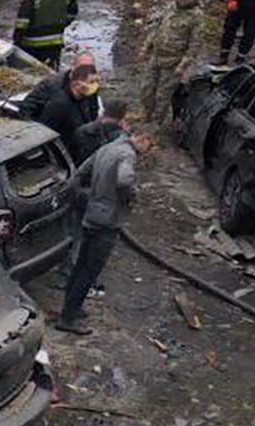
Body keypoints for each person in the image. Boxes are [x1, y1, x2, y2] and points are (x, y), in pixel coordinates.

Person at [57, 104, 139, 337]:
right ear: (141, 138)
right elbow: (124, 182)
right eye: (150, 145)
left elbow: (80, 172)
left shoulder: (107, 148)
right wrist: (130, 197)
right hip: (108, 220)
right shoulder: (127, 154)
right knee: (90, 270)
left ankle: (71, 306)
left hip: (91, 213)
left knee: (81, 264)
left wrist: (87, 195)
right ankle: (68, 318)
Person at [136, 0, 207, 120]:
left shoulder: (197, 17)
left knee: (163, 95)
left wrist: (182, 65)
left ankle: (156, 123)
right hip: (156, 56)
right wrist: (145, 48)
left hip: (174, 62)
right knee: (146, 87)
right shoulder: (170, 8)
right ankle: (145, 113)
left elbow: (195, 45)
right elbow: (156, 30)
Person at [18, 57, 101, 158]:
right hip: (59, 135)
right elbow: (28, 109)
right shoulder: (54, 89)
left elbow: (93, 109)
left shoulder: (91, 84)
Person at [12, 0, 77, 67]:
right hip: (55, 42)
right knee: (51, 70)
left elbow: (23, 21)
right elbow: (72, 13)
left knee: (31, 71)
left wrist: (17, 38)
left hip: (32, 44)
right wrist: (61, 24)